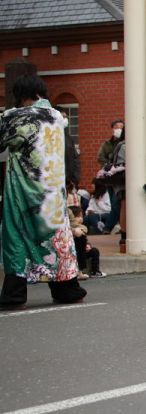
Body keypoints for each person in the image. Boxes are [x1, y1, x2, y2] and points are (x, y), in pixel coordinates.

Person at [0, 72, 87, 310]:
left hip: (24, 192)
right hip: (52, 193)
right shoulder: (57, 117)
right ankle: (67, 290)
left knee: (17, 237)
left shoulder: (17, 117)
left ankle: (14, 295)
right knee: (57, 240)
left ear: (24, 95)